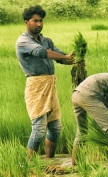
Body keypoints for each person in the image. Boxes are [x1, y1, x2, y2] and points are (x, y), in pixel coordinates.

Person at [16, 5, 75, 158]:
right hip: (36, 86)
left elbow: (59, 55)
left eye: (41, 21)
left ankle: (50, 162)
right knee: (39, 129)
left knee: (55, 128)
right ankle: (27, 163)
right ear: (26, 22)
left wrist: (73, 61)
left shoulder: (46, 40)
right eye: (35, 21)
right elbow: (41, 52)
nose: (39, 24)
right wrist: (65, 57)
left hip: (50, 85)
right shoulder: (23, 41)